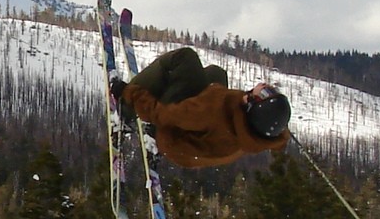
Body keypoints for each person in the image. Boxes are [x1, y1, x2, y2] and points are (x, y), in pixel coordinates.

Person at [112, 47, 291, 168]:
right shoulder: (255, 133)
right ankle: (154, 119)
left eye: (265, 93)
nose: (263, 85)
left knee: (185, 58)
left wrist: (129, 93)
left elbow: (162, 115)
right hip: (191, 151)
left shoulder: (211, 112)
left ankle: (125, 112)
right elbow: (269, 121)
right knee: (216, 74)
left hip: (171, 138)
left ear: (253, 105)